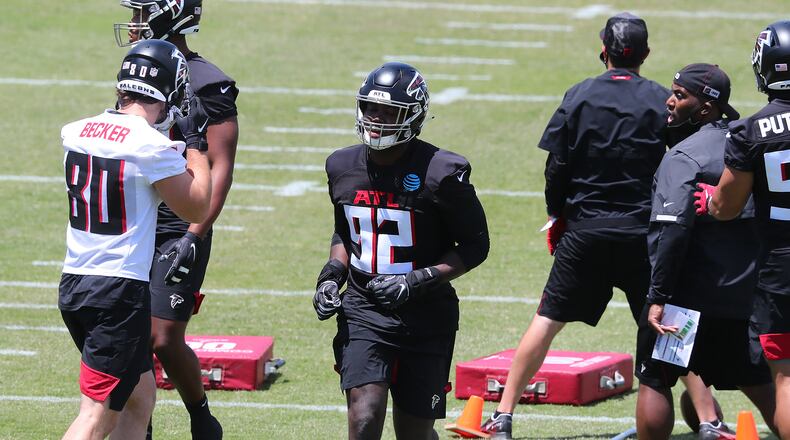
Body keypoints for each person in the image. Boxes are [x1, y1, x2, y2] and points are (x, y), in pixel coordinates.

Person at [480, 13, 717, 438]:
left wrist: (559, 214)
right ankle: (710, 420)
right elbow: (685, 164)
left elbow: (556, 166)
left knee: (547, 319)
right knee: (668, 321)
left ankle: (503, 415)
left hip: (586, 231)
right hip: (643, 234)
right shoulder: (662, 99)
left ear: (602, 50)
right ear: (645, 54)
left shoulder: (578, 95)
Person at [312, 62, 490, 440]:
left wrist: (417, 279)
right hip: (364, 308)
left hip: (426, 314)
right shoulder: (341, 165)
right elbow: (347, 232)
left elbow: (476, 246)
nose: (376, 119)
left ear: (413, 116)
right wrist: (331, 276)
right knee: (364, 417)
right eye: (371, 108)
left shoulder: (442, 171)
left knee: (414, 433)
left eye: (389, 111)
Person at [59, 39, 211, 439]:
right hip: (117, 290)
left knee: (140, 396)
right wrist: (196, 145)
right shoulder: (149, 145)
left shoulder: (76, 132)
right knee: (96, 414)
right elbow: (197, 206)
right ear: (171, 90)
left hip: (76, 281)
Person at [115, 1, 239, 437]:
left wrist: (195, 232)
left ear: (170, 14)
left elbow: (221, 164)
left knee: (163, 336)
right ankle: (139, 423)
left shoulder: (209, 81)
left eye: (141, 12)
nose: (133, 23)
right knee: (129, 332)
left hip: (180, 219)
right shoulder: (139, 69)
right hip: (138, 216)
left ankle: (201, 416)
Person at [635, 63, 777, 440]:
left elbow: (672, 233)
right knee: (768, 390)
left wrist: (658, 297)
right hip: (747, 300)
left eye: (680, 96)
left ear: (705, 109)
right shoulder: (751, 140)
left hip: (687, 302)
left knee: (655, 376)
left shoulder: (683, 156)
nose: (669, 101)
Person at [695, 21, 790, 440]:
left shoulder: (750, 131)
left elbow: (726, 207)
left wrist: (711, 201)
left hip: (779, 269)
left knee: (786, 380)